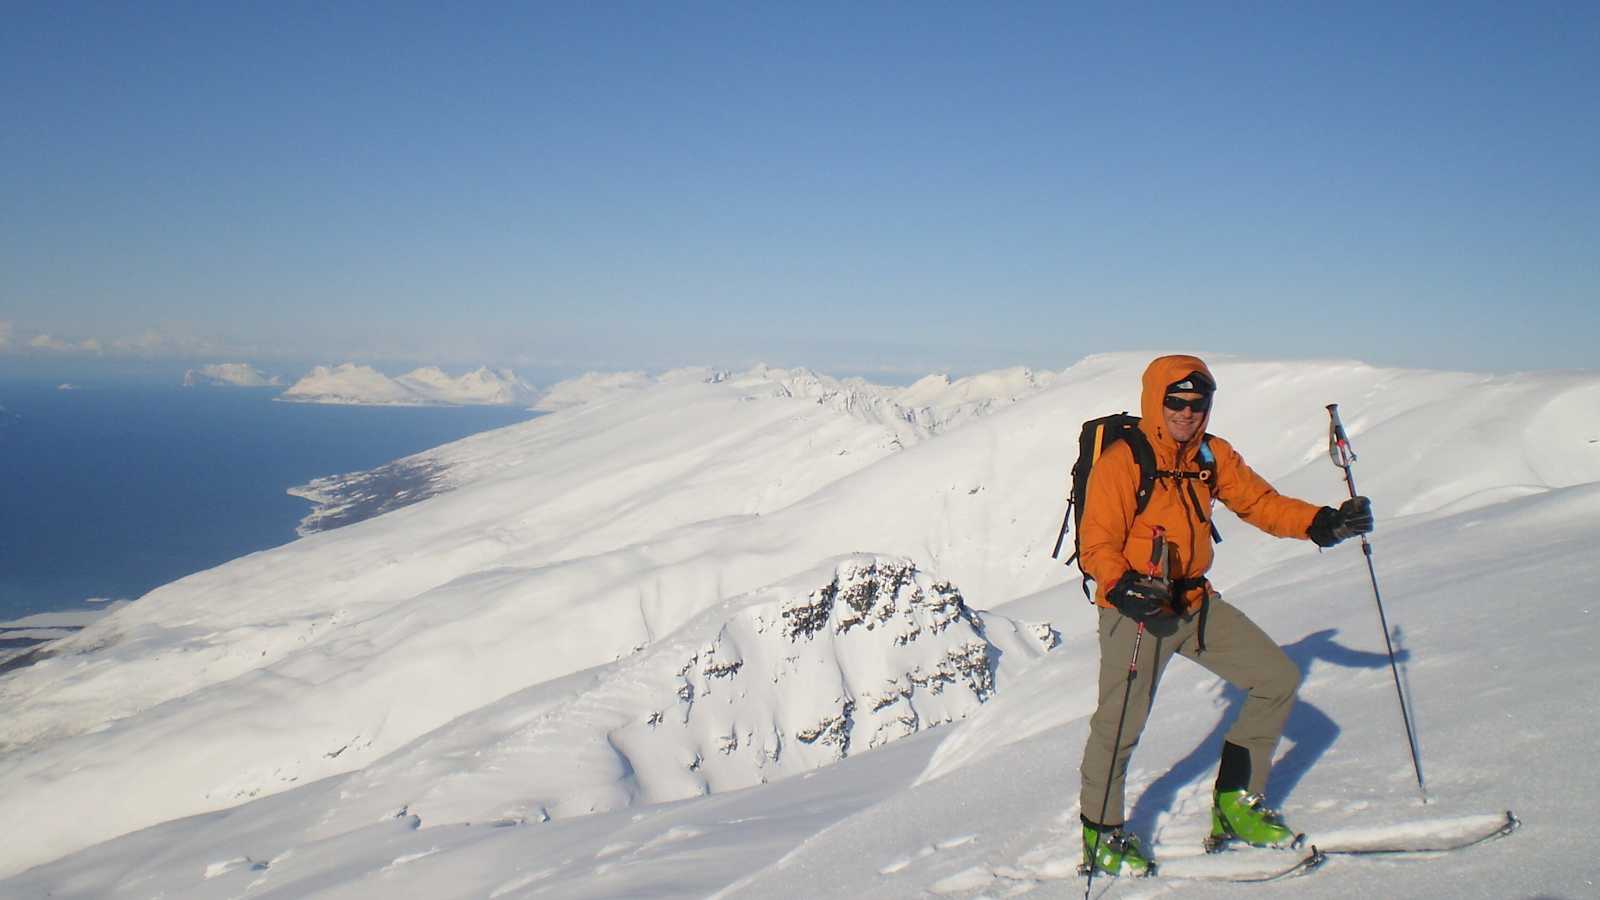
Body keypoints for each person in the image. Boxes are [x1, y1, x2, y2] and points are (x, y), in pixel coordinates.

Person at [1076, 354, 1373, 876]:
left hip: (1193, 602)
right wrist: (1121, 586)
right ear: (1156, 401)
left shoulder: (1211, 456)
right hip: (1138, 612)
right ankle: (1101, 834)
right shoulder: (1124, 461)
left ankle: (1236, 802)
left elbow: (1261, 503)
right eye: (1177, 401)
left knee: (1275, 677)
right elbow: (1096, 541)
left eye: (1198, 402)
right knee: (1120, 723)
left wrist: (1323, 523)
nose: (1187, 412)